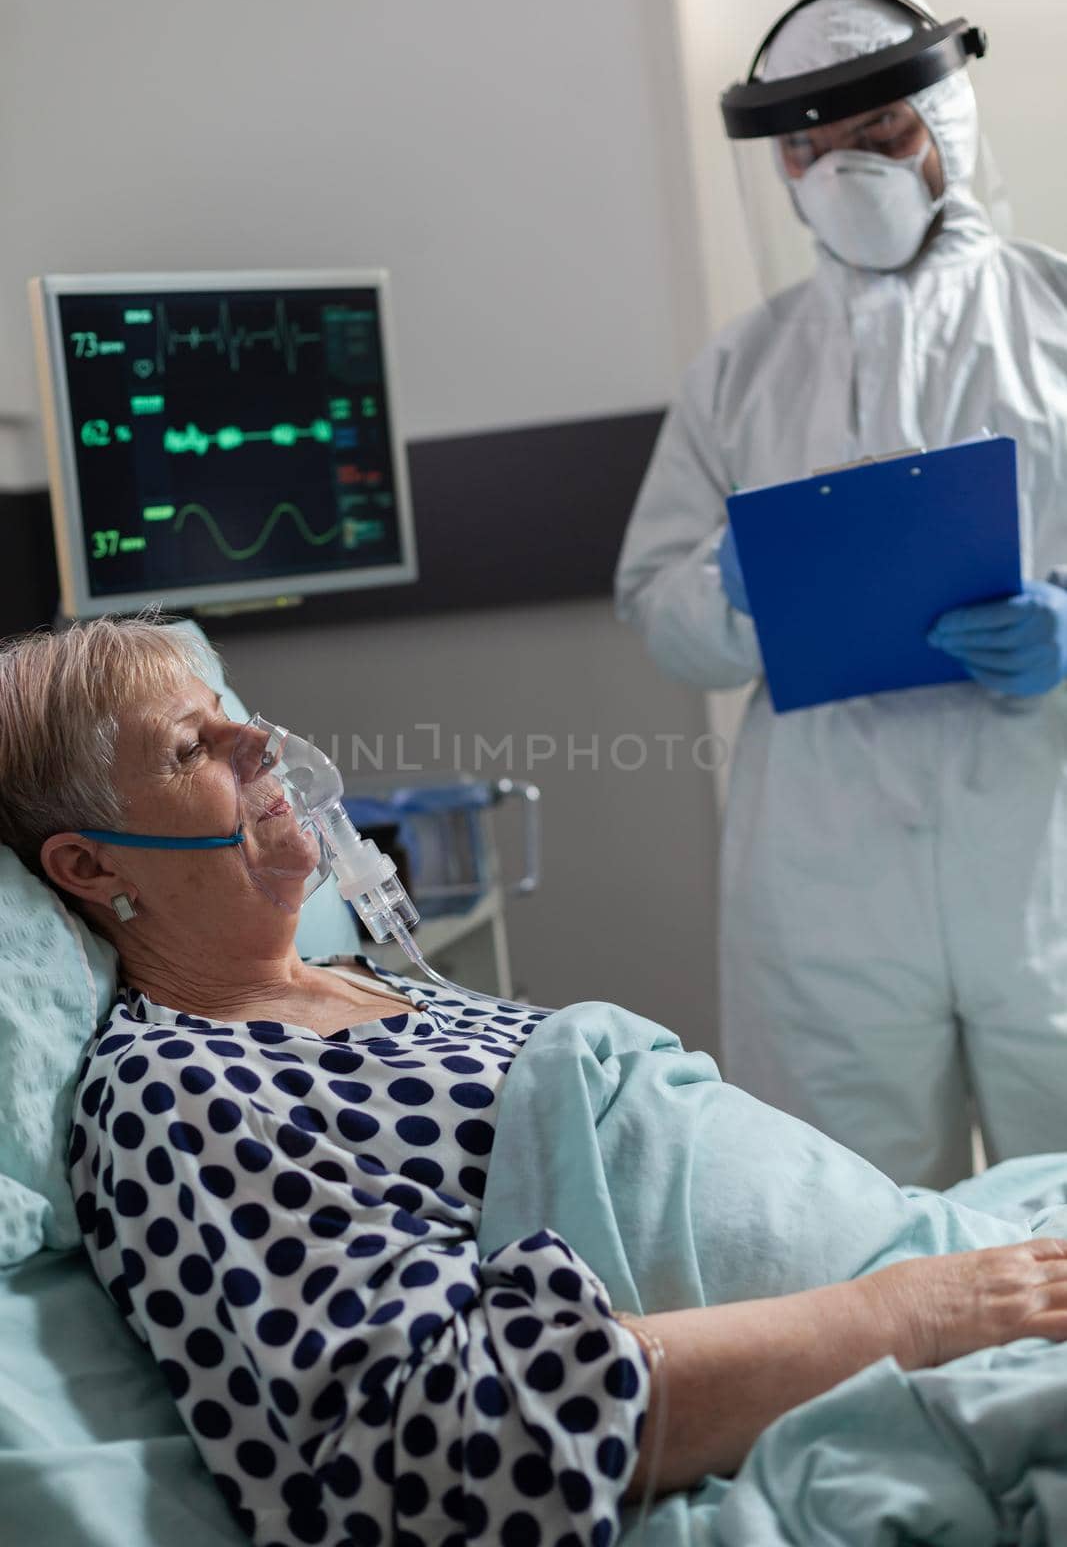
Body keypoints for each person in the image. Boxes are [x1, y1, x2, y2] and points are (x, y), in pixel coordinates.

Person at [5, 614, 1067, 1544]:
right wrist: (922, 1311)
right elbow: (438, 1450)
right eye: (195, 744)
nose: (260, 739)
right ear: (92, 866)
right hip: (896, 1359)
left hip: (935, 1269)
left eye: (232, 712)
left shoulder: (360, 981)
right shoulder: (176, 1088)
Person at [616, 0, 1067, 1189]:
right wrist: (732, 591)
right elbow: (656, 605)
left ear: (946, 125)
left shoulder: (1054, 316)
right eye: (806, 148)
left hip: (1043, 846)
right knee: (845, 1225)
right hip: (823, 877)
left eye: (877, 134)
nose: (841, 172)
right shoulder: (741, 371)